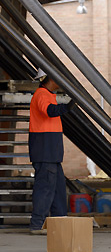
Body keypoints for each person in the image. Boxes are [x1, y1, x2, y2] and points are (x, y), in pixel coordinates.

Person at [29, 69, 74, 234]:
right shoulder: (41, 94)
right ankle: (36, 224)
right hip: (44, 149)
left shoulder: (48, 95)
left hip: (51, 150)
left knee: (57, 189)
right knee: (45, 188)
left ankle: (59, 222)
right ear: (51, 78)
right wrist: (69, 106)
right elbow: (49, 111)